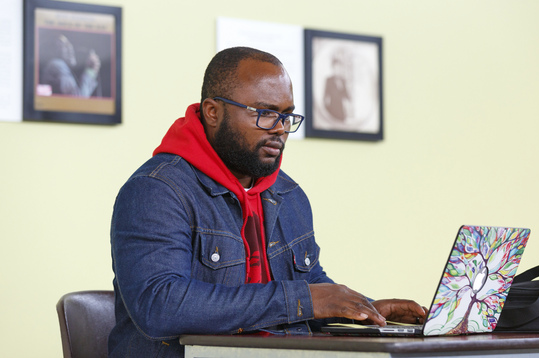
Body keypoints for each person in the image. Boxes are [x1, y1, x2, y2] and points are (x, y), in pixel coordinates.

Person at [109, 47, 426, 357]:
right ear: (213, 112)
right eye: (264, 113)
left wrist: (363, 308)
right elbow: (160, 307)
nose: (279, 129)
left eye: (287, 116)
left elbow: (309, 282)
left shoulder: (287, 193)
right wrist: (300, 299)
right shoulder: (156, 190)